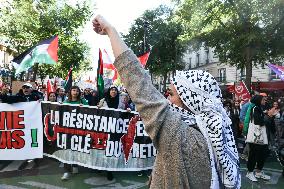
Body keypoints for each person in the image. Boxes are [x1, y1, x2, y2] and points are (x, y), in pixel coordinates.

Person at [93, 15, 240, 189]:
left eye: (171, 94)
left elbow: (138, 82)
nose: (167, 100)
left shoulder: (181, 135)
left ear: (190, 102)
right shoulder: (209, 134)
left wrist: (111, 31)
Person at [61, 86, 88, 180]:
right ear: (70, 91)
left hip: (79, 130)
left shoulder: (83, 101)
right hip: (68, 130)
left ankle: (75, 165)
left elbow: (89, 111)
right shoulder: (66, 101)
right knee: (67, 149)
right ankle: (67, 171)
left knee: (76, 148)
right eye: (73, 90)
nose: (75, 92)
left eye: (77, 90)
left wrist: (84, 108)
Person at [245, 95, 270, 182]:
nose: (265, 101)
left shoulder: (258, 108)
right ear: (258, 100)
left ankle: (258, 172)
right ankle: (250, 172)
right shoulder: (255, 108)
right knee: (253, 154)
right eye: (263, 99)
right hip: (255, 136)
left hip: (261, 136)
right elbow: (258, 121)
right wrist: (268, 116)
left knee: (262, 154)